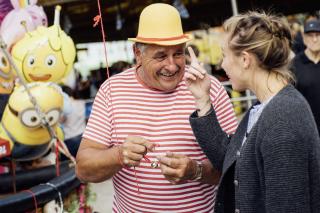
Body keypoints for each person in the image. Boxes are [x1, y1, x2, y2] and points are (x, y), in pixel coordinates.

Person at [76, 3, 238, 212]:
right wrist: (118, 155)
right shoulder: (111, 90)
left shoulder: (209, 88)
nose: (171, 65)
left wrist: (195, 171)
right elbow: (83, 169)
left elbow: (236, 168)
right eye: (161, 56)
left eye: (178, 54)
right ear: (138, 53)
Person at [185, 11, 320, 213]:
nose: (222, 65)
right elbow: (229, 159)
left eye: (224, 55)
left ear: (245, 60)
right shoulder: (265, 106)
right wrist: (202, 99)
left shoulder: (283, 119)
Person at [291, 19, 320, 135]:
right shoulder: (293, 65)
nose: (314, 39)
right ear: (303, 37)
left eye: (318, 35)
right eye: (310, 35)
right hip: (306, 131)